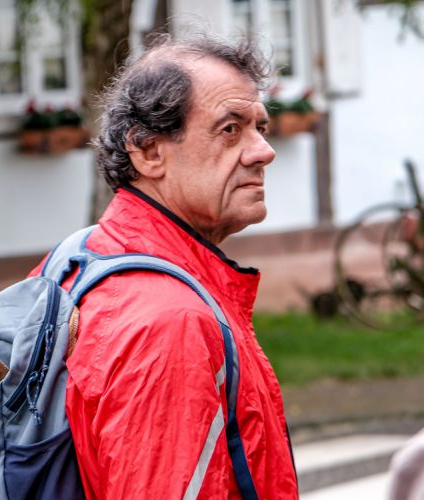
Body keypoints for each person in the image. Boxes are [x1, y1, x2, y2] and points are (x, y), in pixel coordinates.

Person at [30, 34, 298, 499]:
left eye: (261, 127)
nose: (263, 151)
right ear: (149, 151)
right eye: (230, 129)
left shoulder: (78, 258)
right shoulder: (170, 323)